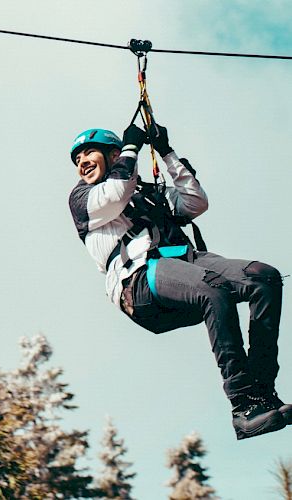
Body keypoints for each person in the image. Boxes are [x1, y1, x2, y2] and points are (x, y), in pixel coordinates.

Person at [68, 124, 292, 440]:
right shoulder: (83, 198)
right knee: (212, 288)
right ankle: (242, 404)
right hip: (140, 282)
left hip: (184, 265)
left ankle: (261, 392)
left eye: (88, 152)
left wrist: (166, 151)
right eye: (77, 158)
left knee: (264, 278)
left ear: (112, 154)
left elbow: (195, 202)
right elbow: (117, 193)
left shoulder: (147, 192)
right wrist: (133, 149)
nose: (82, 162)